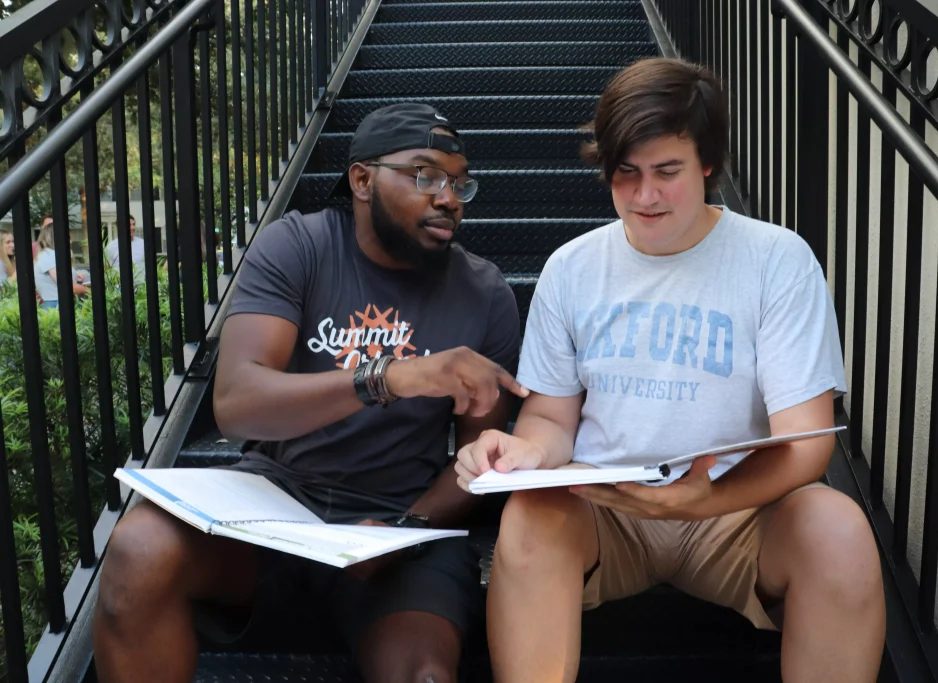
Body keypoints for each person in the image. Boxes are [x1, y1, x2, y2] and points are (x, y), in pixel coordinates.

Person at [456, 58, 885, 683]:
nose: (645, 195)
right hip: (602, 505)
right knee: (526, 514)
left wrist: (702, 500)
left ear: (707, 164)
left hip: (735, 513)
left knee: (840, 529)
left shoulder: (777, 261)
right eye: (625, 173)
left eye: (667, 171)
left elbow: (806, 444)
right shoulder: (571, 268)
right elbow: (551, 416)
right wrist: (519, 451)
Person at [93, 103, 526, 683]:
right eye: (425, 176)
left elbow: (483, 457)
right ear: (362, 179)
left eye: (458, 182)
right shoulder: (297, 246)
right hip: (275, 504)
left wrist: (406, 529)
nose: (448, 197)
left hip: (400, 520)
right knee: (138, 549)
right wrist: (389, 376)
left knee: (423, 676)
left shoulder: (484, 292)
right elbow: (238, 403)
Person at [33, 220, 89, 309]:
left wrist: (75, 276)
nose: (70, 241)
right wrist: (90, 290)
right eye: (67, 237)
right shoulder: (49, 255)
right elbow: (65, 284)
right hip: (57, 304)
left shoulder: (48, 255)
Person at [105, 214, 146, 284]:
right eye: (129, 225)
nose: (133, 227)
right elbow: (107, 270)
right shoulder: (111, 247)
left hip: (141, 288)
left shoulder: (143, 244)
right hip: (119, 288)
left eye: (134, 224)